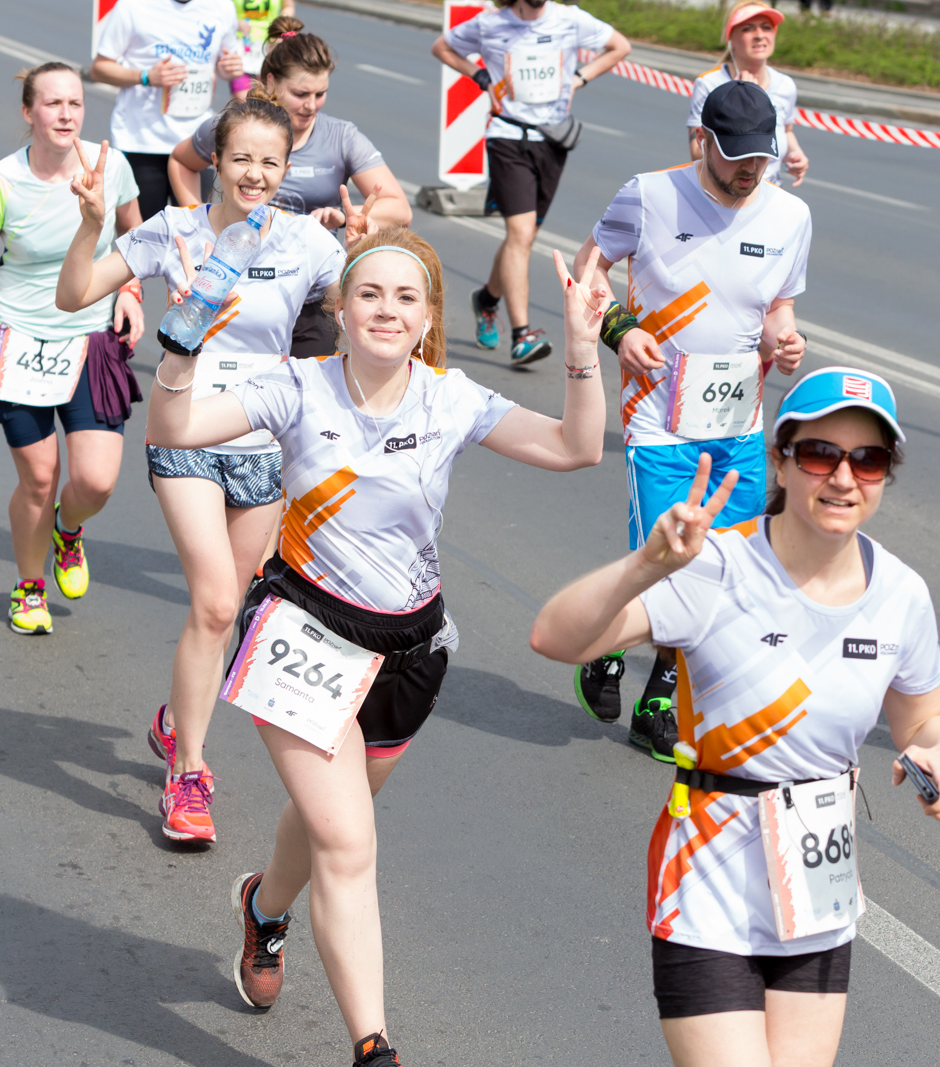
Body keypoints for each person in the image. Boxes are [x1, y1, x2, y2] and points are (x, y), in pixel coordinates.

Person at [144, 231, 607, 1065]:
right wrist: (182, 343)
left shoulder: (450, 399)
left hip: (410, 651)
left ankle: (263, 907)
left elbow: (577, 447)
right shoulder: (298, 387)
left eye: (405, 297)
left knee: (331, 821)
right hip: (303, 634)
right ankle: (374, 1046)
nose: (387, 310)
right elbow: (174, 426)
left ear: (428, 317)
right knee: (349, 841)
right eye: (369, 294)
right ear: (342, 309)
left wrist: (581, 349)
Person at [530, 368, 940, 1067]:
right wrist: (645, 565)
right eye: (820, 454)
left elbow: (925, 717)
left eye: (868, 459)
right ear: (781, 461)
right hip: (707, 881)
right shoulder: (717, 567)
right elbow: (555, 637)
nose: (843, 478)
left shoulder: (901, 594)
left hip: (816, 888)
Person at [57, 93, 346, 845]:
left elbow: (367, 311)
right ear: (214, 159)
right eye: (241, 157)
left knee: (230, 611)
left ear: (287, 168)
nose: (255, 174)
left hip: (263, 443)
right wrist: (91, 224)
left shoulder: (308, 243)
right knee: (215, 605)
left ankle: (174, 718)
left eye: (270, 162)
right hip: (183, 433)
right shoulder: (174, 230)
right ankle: (187, 773)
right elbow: (73, 294)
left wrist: (378, 249)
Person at [571, 80, 810, 762]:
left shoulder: (790, 217)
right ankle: (604, 642)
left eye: (761, 157)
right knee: (667, 561)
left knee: (722, 569)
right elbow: (589, 269)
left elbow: (778, 307)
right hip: (657, 420)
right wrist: (619, 329)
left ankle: (660, 698)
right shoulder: (648, 196)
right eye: (736, 156)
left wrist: (786, 340)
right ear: (702, 139)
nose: (750, 170)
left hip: (738, 423)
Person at [0, 61, 145, 636]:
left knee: (96, 481)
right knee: (39, 476)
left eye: (75, 103)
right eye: (53, 103)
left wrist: (129, 290)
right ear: (28, 111)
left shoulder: (111, 168)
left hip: (92, 337)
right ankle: (29, 586)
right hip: (18, 337)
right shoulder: (4, 181)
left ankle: (68, 528)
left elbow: (136, 238)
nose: (65, 114)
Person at [168, 18, 412, 356]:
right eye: (300, 94)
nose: (311, 105)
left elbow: (399, 208)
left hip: (311, 302)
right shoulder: (236, 127)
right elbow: (181, 162)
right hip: (234, 292)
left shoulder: (341, 137)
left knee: (308, 388)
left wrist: (343, 216)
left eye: (320, 94)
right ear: (271, 81)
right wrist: (199, 220)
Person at [432, 0, 629, 364]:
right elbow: (442, 47)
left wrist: (579, 78)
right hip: (507, 135)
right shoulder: (490, 25)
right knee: (520, 234)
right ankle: (522, 336)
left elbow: (620, 46)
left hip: (552, 141)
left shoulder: (569, 19)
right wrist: (480, 77)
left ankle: (487, 299)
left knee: (521, 238)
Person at [91, 0, 242, 220]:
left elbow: (225, 64)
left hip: (196, 143)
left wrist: (228, 69)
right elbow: (99, 68)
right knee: (145, 233)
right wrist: (145, 76)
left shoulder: (222, 6)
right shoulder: (132, 6)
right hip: (142, 141)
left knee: (197, 229)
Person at [685, 0, 807, 188]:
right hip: (727, 194)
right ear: (730, 39)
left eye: (766, 27)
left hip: (771, 192)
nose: (759, 35)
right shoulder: (710, 83)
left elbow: (786, 130)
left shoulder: (785, 85)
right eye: (747, 29)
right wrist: (745, 103)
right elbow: (697, 151)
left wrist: (796, 153)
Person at [228, 0, 291, 99]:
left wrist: (280, 28)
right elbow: (220, 8)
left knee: (267, 97)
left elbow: (288, 7)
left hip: (269, 47)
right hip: (240, 47)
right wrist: (235, 21)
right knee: (242, 98)